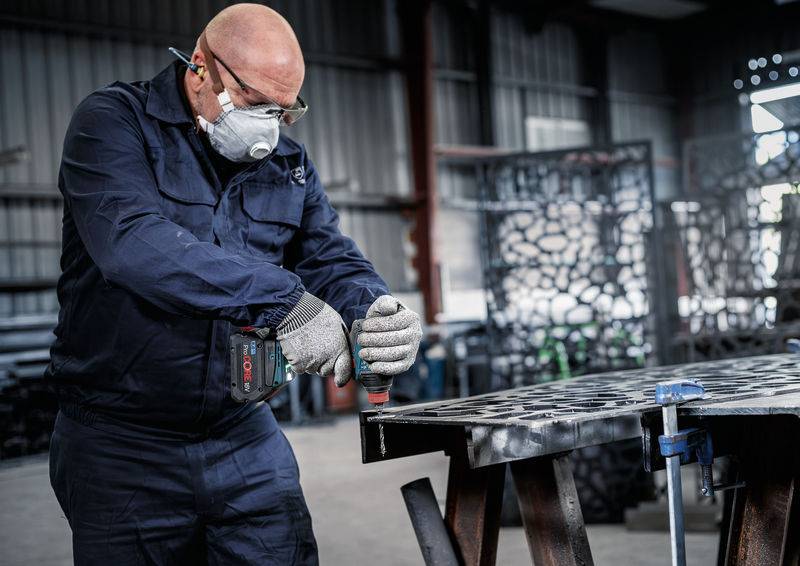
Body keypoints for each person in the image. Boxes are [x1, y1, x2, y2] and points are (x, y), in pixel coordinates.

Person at [45, 4, 422, 565]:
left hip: (242, 431)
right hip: (121, 443)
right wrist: (284, 302)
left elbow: (328, 256)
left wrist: (376, 309)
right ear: (201, 67)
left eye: (285, 110)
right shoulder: (113, 125)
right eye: (255, 102)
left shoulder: (287, 162)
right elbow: (131, 243)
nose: (270, 127)